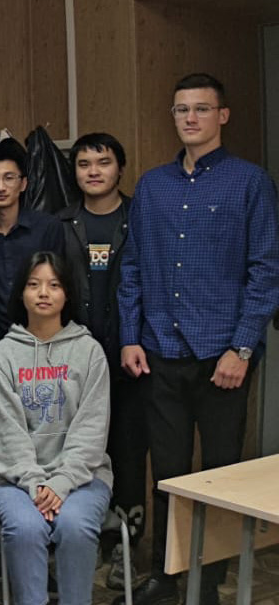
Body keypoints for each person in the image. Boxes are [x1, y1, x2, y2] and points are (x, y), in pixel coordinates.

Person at [116, 73, 279, 605]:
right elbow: (134, 266)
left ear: (222, 116)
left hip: (222, 358)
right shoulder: (153, 185)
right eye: (182, 110)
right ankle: (168, 576)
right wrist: (130, 336)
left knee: (221, 475)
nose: (190, 118)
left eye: (202, 109)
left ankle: (210, 583)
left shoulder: (250, 182)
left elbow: (265, 271)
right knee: (166, 473)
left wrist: (243, 348)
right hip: (160, 351)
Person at [0, 252, 112, 605]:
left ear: (67, 294)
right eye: (34, 284)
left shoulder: (89, 352)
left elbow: (91, 428)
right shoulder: (2, 355)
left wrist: (62, 481)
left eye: (54, 285)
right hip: (16, 478)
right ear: (21, 293)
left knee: (74, 526)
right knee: (25, 528)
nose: (44, 293)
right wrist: (35, 483)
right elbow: (7, 432)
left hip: (83, 475)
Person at [57, 132, 144, 583]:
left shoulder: (140, 217)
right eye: (84, 163)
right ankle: (83, 541)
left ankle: (122, 555)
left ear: (119, 168)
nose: (93, 171)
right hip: (73, 363)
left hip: (132, 359)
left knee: (127, 454)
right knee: (79, 453)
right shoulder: (61, 223)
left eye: (103, 162)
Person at [0, 138, 65, 344]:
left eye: (9, 178)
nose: (0, 187)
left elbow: (58, 285)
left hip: (40, 337)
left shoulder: (48, 228)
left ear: (23, 183)